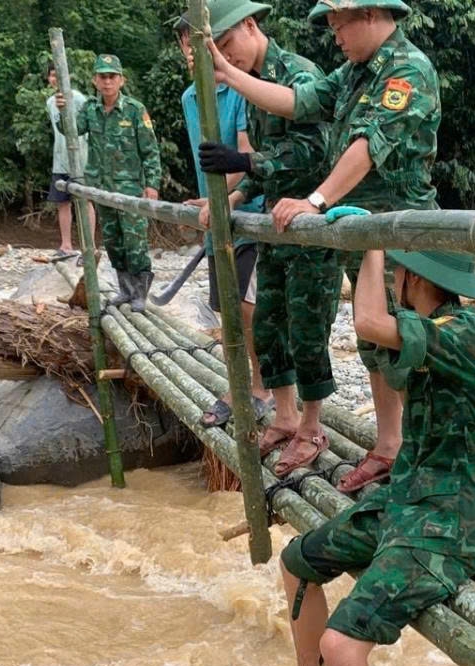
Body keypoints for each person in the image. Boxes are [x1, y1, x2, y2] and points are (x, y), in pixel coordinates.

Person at [206, 0, 441, 492]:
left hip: (403, 235)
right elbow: (298, 101)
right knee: (376, 341)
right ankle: (390, 447)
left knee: (412, 342)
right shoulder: (354, 73)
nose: (335, 36)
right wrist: (228, 73)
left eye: (339, 25)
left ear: (372, 16)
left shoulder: (406, 70)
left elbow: (369, 146)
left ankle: (422, 456)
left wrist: (316, 198)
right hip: (363, 231)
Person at [279, 248, 475, 666]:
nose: (394, 279)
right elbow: (378, 337)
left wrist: (371, 247)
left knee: (340, 644)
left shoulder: (470, 334)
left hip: (457, 522)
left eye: (399, 272)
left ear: (418, 279)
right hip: (410, 501)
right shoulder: (432, 332)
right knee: (296, 562)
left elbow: (368, 322)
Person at [195, 0, 340, 472]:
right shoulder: (253, 88)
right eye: (215, 49)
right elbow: (265, 164)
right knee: (273, 322)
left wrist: (246, 163)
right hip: (276, 226)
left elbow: (314, 149)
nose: (226, 56)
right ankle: (284, 414)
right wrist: (233, 198)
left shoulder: (296, 74)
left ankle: (313, 426)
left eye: (227, 43)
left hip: (310, 225)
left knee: (307, 327)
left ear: (251, 26)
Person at [174, 12, 273, 426]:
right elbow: (206, 159)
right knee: (224, 306)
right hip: (218, 215)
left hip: (250, 210)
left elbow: (245, 157)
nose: (195, 52)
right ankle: (240, 383)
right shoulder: (189, 98)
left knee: (249, 305)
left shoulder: (241, 88)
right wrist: (210, 200)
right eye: (186, 45)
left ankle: (261, 388)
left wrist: (224, 199)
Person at [56, 54, 161, 312]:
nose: (107, 82)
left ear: (121, 80)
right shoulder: (90, 109)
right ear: (94, 80)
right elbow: (72, 130)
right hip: (102, 188)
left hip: (130, 189)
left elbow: (150, 151)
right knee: (113, 241)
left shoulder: (135, 110)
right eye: (102, 76)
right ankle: (125, 291)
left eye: (112, 76)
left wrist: (153, 185)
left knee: (134, 242)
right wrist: (62, 111)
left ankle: (139, 294)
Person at [45, 64, 95, 262]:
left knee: (85, 200)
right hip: (60, 159)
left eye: (58, 75)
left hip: (81, 159)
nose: (55, 79)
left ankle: (88, 246)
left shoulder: (80, 99)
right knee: (62, 202)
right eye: (52, 75)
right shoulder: (50, 102)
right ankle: (66, 245)